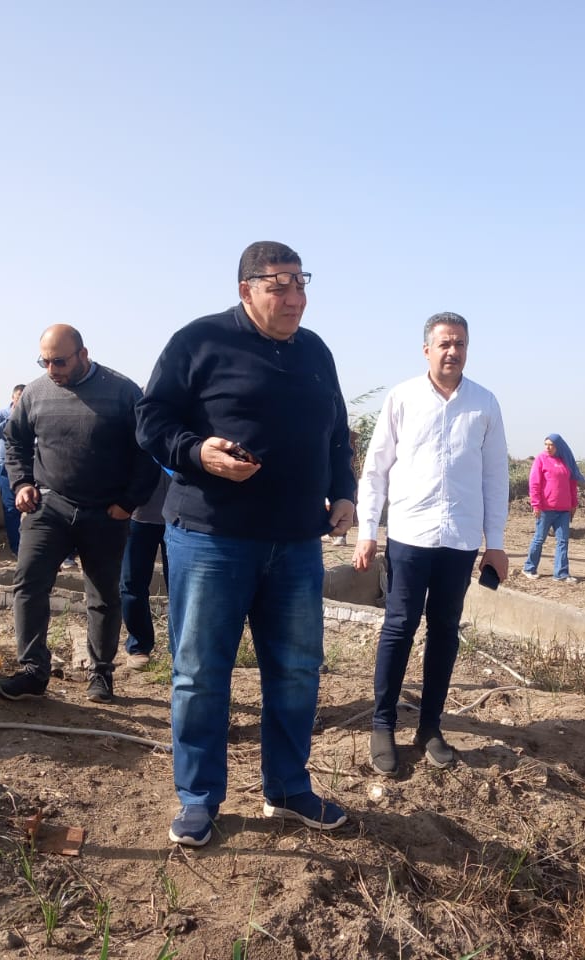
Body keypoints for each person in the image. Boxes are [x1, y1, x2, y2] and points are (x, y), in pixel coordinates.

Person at [136, 241, 355, 848]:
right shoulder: (199, 341)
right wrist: (196, 451)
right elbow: (151, 420)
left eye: (300, 283)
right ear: (245, 290)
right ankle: (198, 798)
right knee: (200, 672)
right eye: (278, 285)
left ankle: (286, 787)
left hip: (296, 542)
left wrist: (343, 492)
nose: (294, 297)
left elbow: (338, 431)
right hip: (212, 538)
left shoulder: (316, 352)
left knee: (297, 670)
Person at [353, 312, 509, 778]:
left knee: (444, 630)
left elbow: (494, 477)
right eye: (444, 344)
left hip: (459, 540)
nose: (452, 351)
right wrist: (367, 530)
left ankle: (430, 727)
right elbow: (376, 469)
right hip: (410, 535)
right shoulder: (402, 398)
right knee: (399, 627)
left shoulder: (484, 403)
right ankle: (382, 725)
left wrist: (496, 544)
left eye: (460, 344)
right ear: (427, 350)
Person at [0, 325, 160, 705]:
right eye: (45, 361)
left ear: (83, 354)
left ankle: (101, 673)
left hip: (106, 513)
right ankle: (33, 670)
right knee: (29, 583)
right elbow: (15, 440)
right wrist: (22, 483)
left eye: (59, 361)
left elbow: (147, 451)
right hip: (49, 507)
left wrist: (129, 502)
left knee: (103, 595)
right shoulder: (35, 393)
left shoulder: (123, 392)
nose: (52, 369)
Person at [121, 467, 171, 670]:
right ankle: (139, 646)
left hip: (181, 517)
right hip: (137, 514)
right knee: (131, 583)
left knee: (181, 586)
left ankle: (181, 647)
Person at [522, 434, 584, 582]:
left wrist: (573, 504)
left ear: (559, 446)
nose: (548, 447)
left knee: (563, 541)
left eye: (551, 445)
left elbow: (572, 484)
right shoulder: (541, 459)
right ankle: (529, 568)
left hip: (563, 510)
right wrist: (536, 504)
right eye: (546, 444)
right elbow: (534, 483)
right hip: (546, 508)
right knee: (539, 539)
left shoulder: (566, 461)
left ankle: (561, 573)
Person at [0, 384, 25, 555]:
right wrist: (12, 416)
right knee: (11, 509)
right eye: (19, 397)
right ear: (13, 397)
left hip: (30, 466)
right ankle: (18, 549)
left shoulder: (32, 415)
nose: (21, 401)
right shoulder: (1, 414)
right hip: (6, 467)